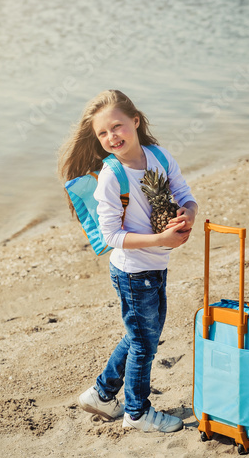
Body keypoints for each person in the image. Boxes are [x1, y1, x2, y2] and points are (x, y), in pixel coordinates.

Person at [58, 89, 198, 433]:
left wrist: (188, 216)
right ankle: (137, 413)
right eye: (103, 133)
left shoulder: (159, 157)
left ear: (135, 121)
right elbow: (111, 237)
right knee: (144, 343)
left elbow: (184, 194)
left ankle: (102, 394)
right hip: (133, 271)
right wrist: (160, 240)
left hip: (156, 264)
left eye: (117, 126)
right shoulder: (110, 177)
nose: (111, 137)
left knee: (140, 336)